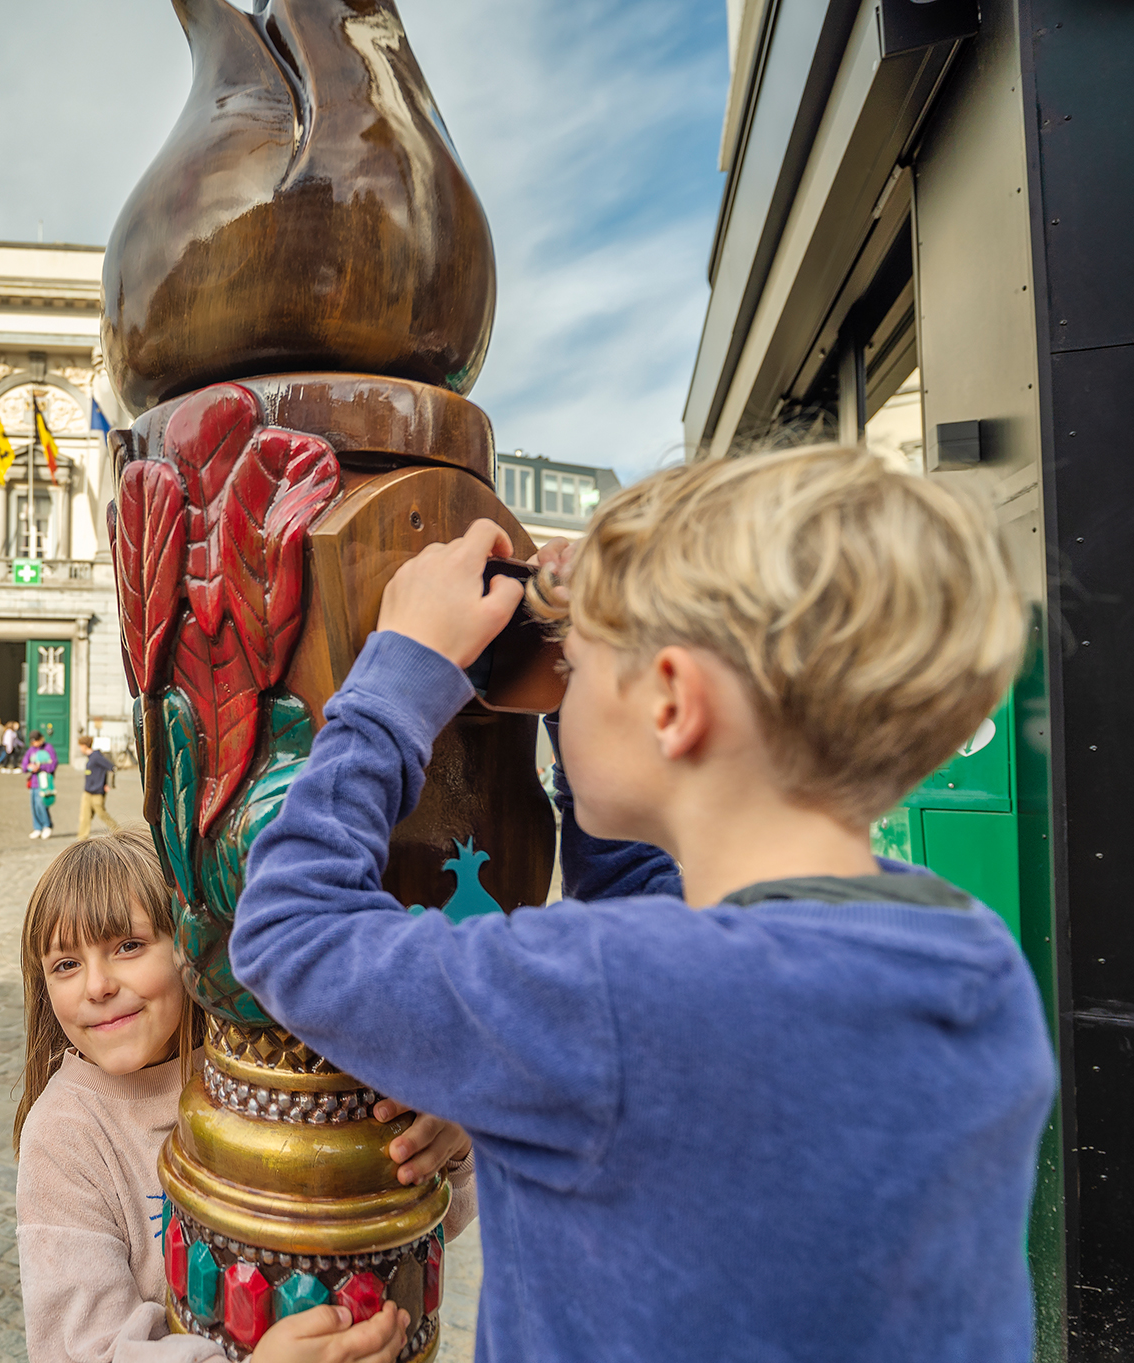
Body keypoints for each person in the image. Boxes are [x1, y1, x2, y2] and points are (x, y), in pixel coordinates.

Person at [230, 448, 1057, 1363]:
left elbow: (289, 928)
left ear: (672, 701)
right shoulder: (977, 966)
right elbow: (658, 908)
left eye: (574, 669)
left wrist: (398, 677)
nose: (561, 686)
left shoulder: (604, 1000)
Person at [14, 831, 474, 1363]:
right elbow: (80, 1351)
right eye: (66, 964)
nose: (97, 985)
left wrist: (452, 1143)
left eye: (128, 946)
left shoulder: (271, 1072)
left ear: (192, 948)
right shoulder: (63, 1136)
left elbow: (421, 1228)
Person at [75, 735, 120, 840]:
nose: (80, 749)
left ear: (84, 746)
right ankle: (82, 838)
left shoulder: (96, 757)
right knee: (84, 817)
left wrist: (108, 784)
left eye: (80, 746)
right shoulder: (90, 758)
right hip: (87, 792)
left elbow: (112, 768)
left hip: (97, 792)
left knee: (102, 814)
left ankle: (118, 830)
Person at [24, 731, 57, 839]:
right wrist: (28, 767)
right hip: (33, 782)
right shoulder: (31, 750)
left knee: (41, 804)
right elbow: (24, 763)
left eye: (36, 741)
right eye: (33, 742)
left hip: (44, 782)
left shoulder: (48, 748)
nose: (35, 744)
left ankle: (47, 825)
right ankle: (37, 827)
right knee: (33, 805)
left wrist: (41, 767)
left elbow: (53, 764)